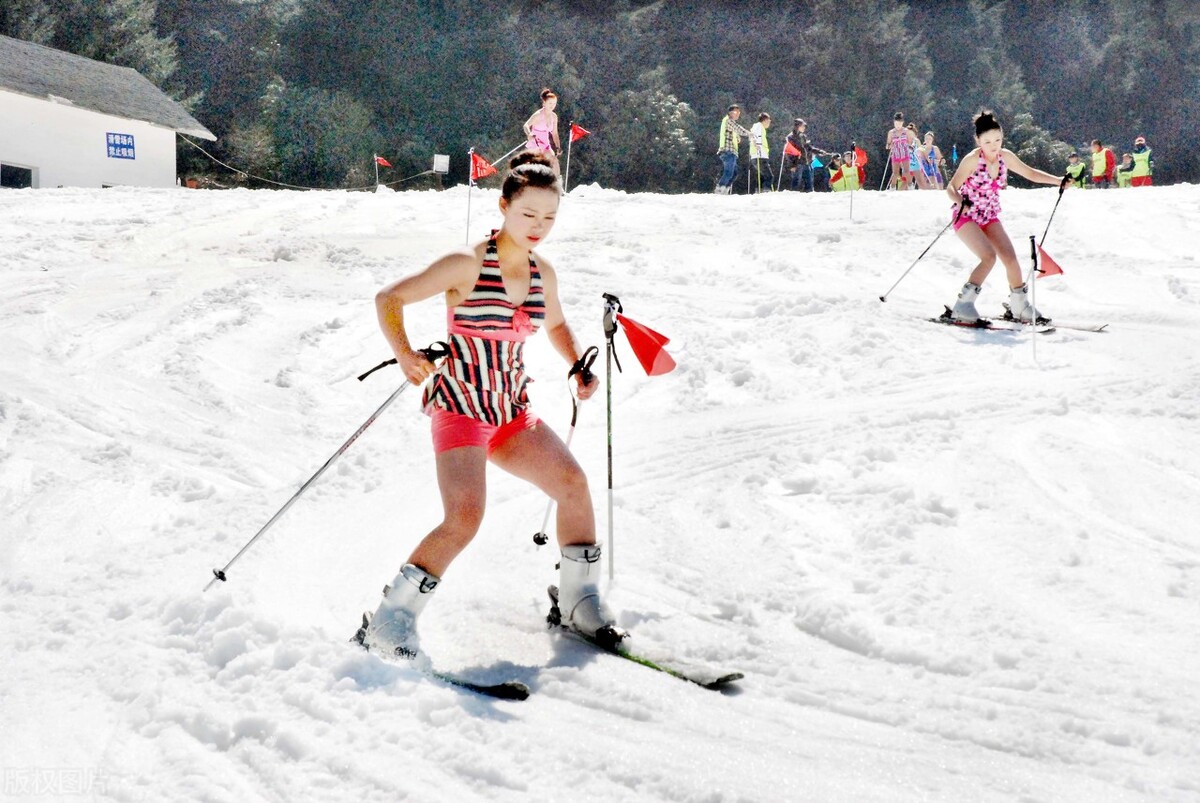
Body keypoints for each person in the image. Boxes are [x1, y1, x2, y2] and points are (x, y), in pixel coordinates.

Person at [364, 150, 615, 661]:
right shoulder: (468, 263)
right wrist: (406, 355)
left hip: (508, 410)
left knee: (573, 485)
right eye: (528, 214)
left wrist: (575, 364)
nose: (539, 226)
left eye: (549, 217)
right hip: (459, 404)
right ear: (503, 206)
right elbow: (389, 298)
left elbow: (557, 325)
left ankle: (577, 600)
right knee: (465, 516)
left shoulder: (544, 272)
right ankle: (390, 622)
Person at [946, 111, 1069, 324]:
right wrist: (960, 202)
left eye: (998, 139)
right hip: (966, 217)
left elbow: (1030, 173)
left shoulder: (1006, 156)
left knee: (1010, 259)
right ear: (978, 141)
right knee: (988, 257)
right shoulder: (972, 160)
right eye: (987, 141)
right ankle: (962, 306)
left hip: (989, 215)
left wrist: (1058, 180)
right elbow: (951, 187)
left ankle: (1019, 305)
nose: (994, 145)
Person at [523, 88, 562, 174]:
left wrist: (558, 147)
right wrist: (529, 134)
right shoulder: (538, 115)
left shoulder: (554, 117)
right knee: (535, 166)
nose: (552, 105)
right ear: (544, 103)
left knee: (554, 161)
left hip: (545, 145)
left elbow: (555, 134)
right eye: (550, 103)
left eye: (554, 103)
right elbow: (526, 125)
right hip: (535, 143)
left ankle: (557, 183)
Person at [716, 104, 751, 194]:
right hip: (728, 151)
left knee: (734, 172)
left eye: (738, 112)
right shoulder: (728, 121)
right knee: (729, 171)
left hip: (731, 152)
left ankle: (725, 188)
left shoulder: (729, 123)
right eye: (735, 112)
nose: (737, 114)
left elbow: (735, 134)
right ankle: (720, 188)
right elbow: (738, 128)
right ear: (730, 113)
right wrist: (749, 134)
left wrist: (738, 138)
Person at [785, 118, 815, 192]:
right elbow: (788, 152)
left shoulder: (803, 136)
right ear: (797, 126)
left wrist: (820, 151)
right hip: (796, 163)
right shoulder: (790, 137)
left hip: (805, 162)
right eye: (802, 125)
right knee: (796, 183)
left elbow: (809, 148)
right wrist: (791, 165)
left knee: (809, 183)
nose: (804, 127)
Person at [886, 112, 913, 190]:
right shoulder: (891, 132)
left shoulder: (906, 131)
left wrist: (910, 145)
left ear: (902, 123)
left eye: (899, 123)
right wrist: (889, 145)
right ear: (894, 123)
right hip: (896, 154)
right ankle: (892, 187)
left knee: (907, 171)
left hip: (905, 153)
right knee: (895, 173)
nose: (898, 125)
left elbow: (909, 141)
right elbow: (888, 143)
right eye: (896, 123)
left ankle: (910, 186)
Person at [748, 113, 773, 193]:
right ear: (765, 120)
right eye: (769, 121)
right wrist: (757, 144)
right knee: (769, 176)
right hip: (759, 155)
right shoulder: (759, 126)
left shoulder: (758, 127)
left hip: (759, 155)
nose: (769, 123)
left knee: (762, 176)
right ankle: (766, 192)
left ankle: (759, 192)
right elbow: (755, 136)